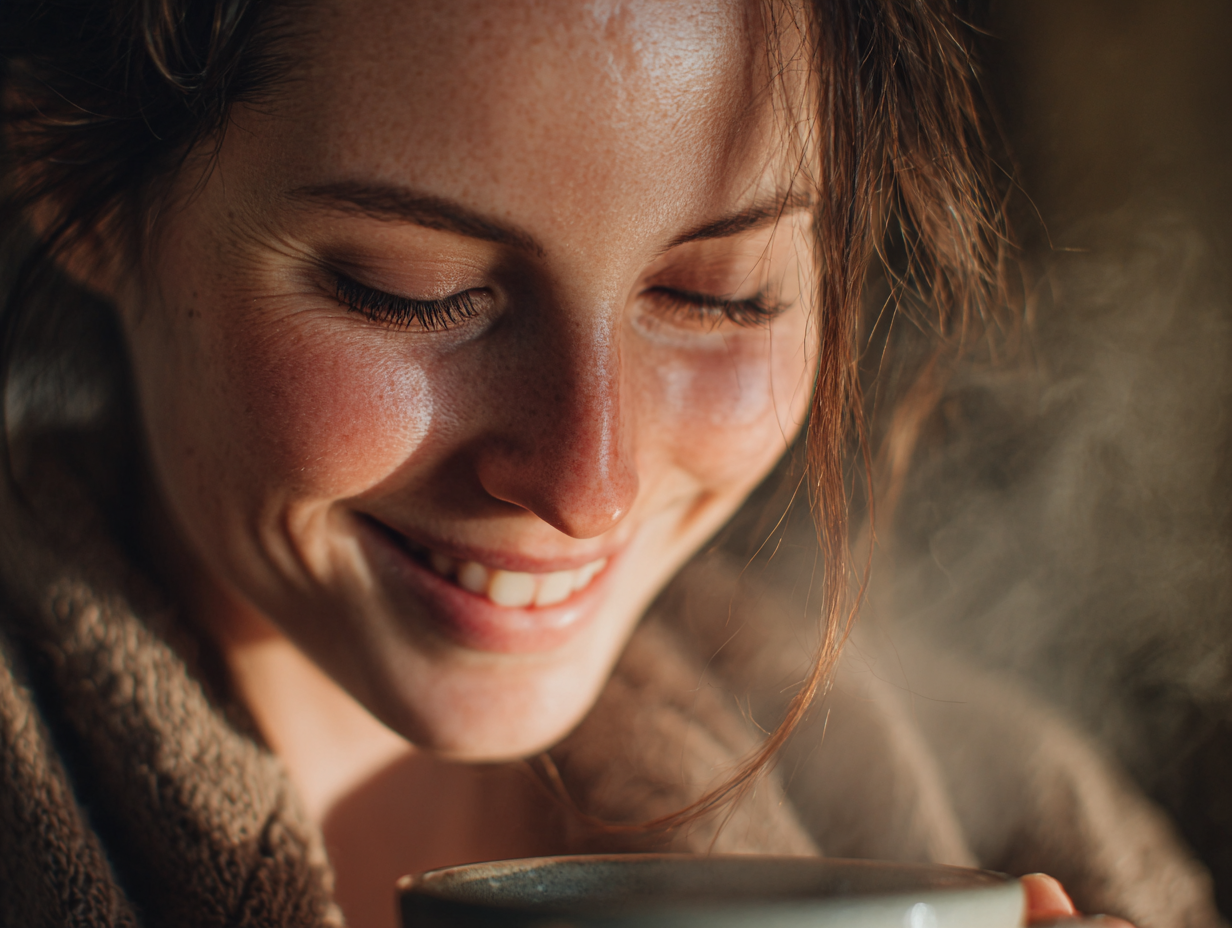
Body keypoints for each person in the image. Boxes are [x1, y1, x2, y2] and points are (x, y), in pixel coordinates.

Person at [0, 1, 1212, 926]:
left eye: (718, 298)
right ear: (70, 181)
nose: (591, 485)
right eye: (414, 293)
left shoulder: (1008, 803)